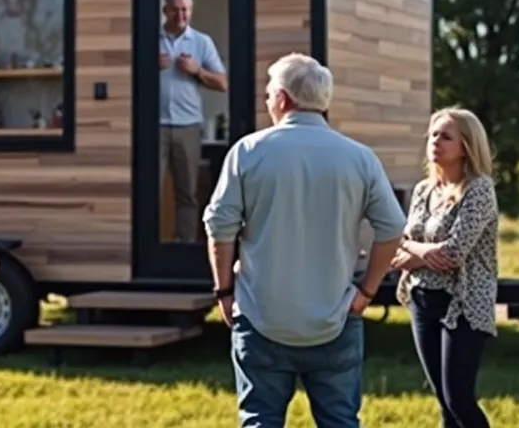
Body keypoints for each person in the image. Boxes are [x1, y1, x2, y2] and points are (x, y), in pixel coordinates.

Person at [203, 52, 406, 428]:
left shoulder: (247, 152)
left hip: (261, 316)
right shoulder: (360, 158)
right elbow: (393, 228)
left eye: (268, 94)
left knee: (260, 421)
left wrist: (224, 292)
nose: (266, 101)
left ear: (283, 99)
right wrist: (367, 292)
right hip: (336, 317)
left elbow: (220, 227)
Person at [393, 107, 499, 428]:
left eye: (446, 136)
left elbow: (453, 253)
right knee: (443, 400)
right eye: (433, 135)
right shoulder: (424, 189)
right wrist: (421, 251)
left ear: (465, 146)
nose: (435, 141)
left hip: (463, 304)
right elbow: (402, 241)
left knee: (459, 400)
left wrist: (413, 251)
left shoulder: (479, 189)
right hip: (422, 300)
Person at [159, 0, 227, 243]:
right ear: (165, 11)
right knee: (148, 192)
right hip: (154, 126)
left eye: (185, 9)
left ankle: (184, 246)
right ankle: (150, 250)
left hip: (188, 126)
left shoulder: (201, 42)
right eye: (175, 10)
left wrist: (197, 71)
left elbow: (222, 83)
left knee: (186, 193)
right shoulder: (148, 38)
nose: (181, 15)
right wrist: (148, 66)